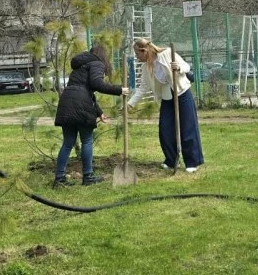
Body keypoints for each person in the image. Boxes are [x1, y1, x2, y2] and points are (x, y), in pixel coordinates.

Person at [53, 44, 130, 187]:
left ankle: (59, 178)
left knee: (68, 142)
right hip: (81, 104)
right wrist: (119, 90)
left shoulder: (79, 66)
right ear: (103, 55)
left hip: (67, 101)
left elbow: (84, 90)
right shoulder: (97, 63)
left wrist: (99, 112)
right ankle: (88, 176)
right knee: (86, 141)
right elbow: (97, 84)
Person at [127, 38, 205, 173]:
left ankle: (192, 161)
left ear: (144, 51)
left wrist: (178, 68)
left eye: (137, 54)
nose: (137, 57)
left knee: (187, 128)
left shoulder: (167, 53)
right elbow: (143, 88)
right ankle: (171, 160)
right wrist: (130, 103)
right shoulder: (145, 68)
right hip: (167, 99)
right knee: (165, 129)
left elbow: (186, 67)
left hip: (182, 94)